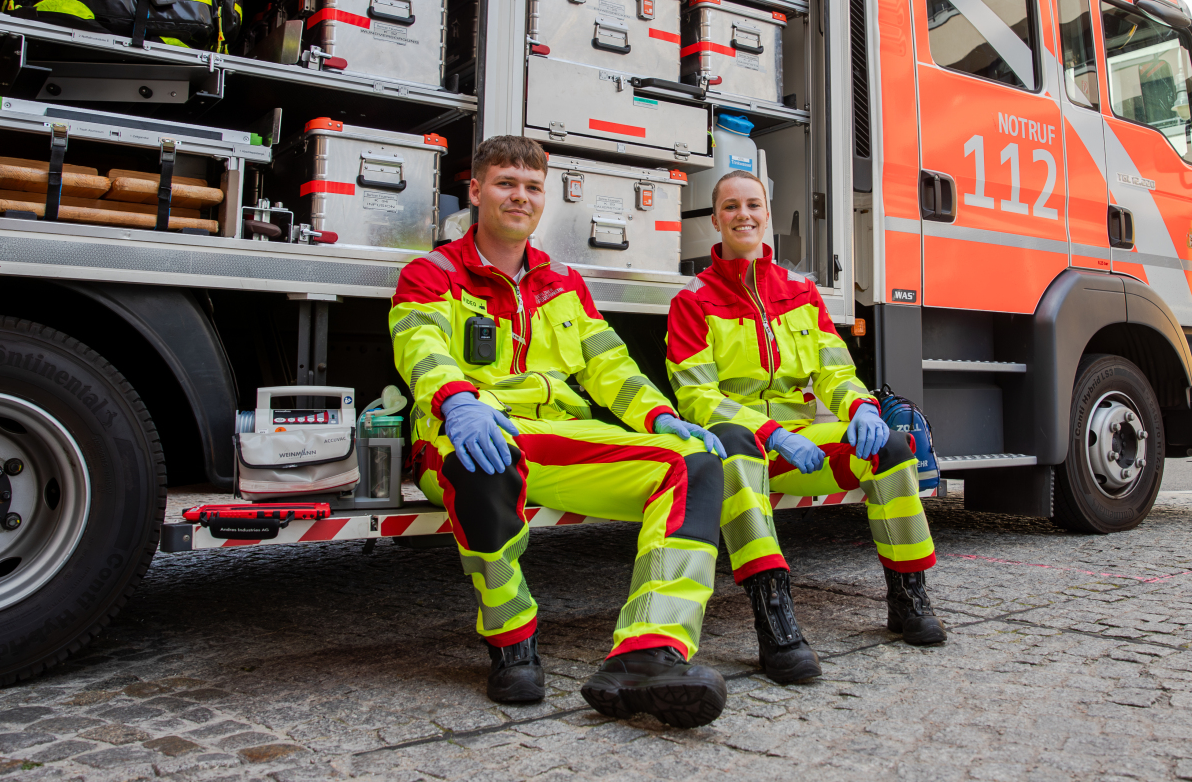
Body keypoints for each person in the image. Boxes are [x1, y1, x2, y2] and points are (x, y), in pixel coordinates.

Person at [389, 136, 758, 728]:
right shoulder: (431, 274)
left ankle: (647, 654)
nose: (521, 197)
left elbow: (611, 367)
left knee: (691, 463)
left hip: (559, 437)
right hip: (464, 436)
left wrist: (665, 420)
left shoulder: (564, 282)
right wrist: (458, 403)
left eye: (533, 187)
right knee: (483, 465)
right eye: (507, 183)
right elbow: (420, 347)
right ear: (476, 190)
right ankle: (512, 645)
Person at [665, 169, 945, 683]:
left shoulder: (801, 292)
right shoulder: (692, 301)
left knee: (894, 447)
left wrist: (861, 407)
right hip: (752, 448)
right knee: (730, 443)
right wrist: (773, 434)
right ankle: (774, 621)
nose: (742, 215)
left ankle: (908, 597)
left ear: (767, 213)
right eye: (730, 207)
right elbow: (697, 399)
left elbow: (834, 371)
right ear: (715, 221)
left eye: (752, 205)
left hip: (804, 451)